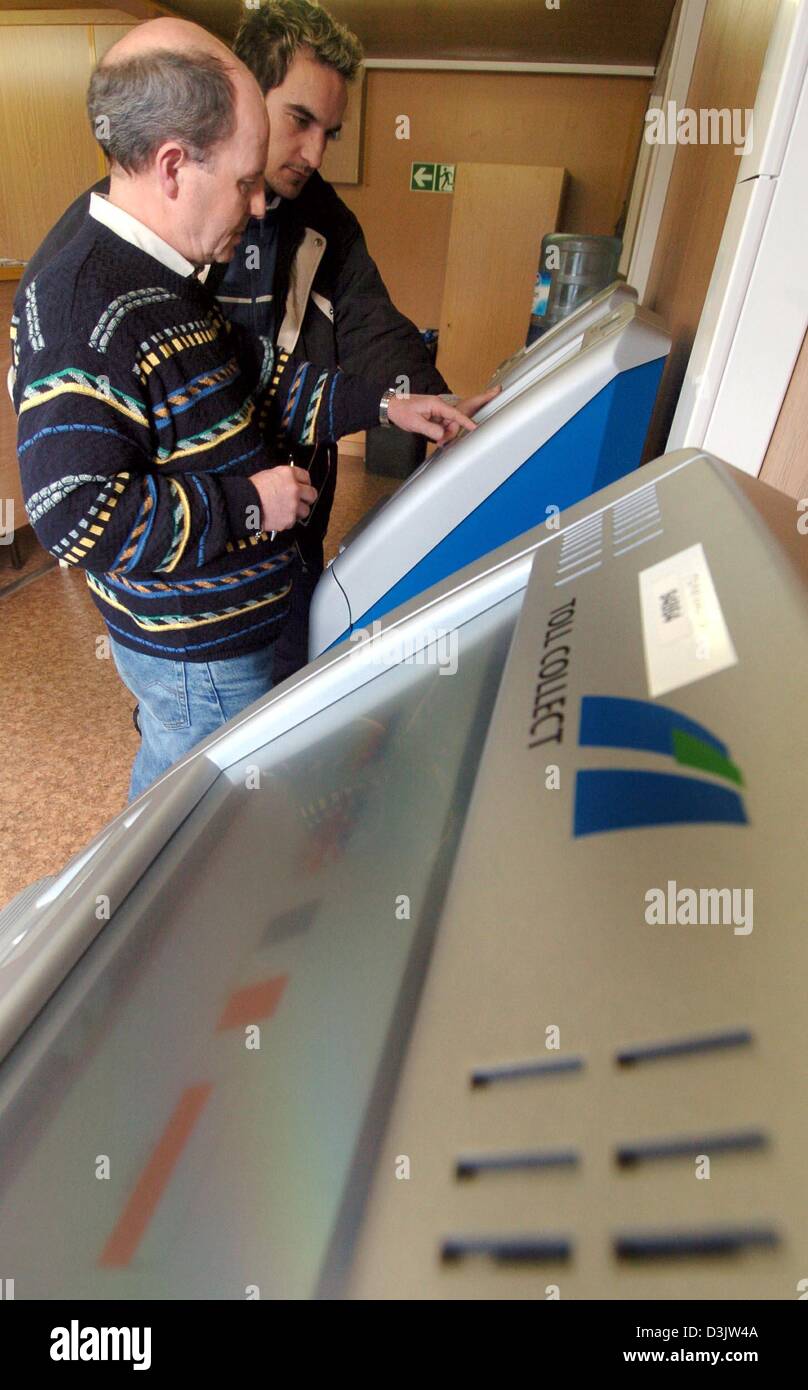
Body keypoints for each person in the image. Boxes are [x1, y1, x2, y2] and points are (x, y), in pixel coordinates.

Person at [11, 25, 478, 803]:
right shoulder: (84, 299)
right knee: (188, 812)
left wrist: (389, 402)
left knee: (208, 793)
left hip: (231, 631)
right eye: (244, 182)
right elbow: (74, 517)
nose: (261, 204)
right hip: (199, 653)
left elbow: (260, 383)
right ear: (172, 168)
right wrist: (249, 504)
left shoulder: (170, 270)